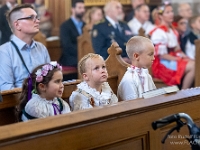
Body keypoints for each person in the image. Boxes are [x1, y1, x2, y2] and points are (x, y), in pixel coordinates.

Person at [0, 4, 50, 91]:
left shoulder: (41, 48)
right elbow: (6, 90)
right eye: (31, 17)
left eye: (37, 17)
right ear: (17, 25)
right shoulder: (4, 52)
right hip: (20, 102)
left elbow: (50, 79)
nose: (37, 21)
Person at [150, 2, 195, 89]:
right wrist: (178, 59)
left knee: (195, 63)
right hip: (162, 63)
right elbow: (162, 55)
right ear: (160, 16)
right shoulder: (158, 32)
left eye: (171, 11)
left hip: (173, 59)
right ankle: (183, 93)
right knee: (193, 66)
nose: (171, 14)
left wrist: (185, 57)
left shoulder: (172, 31)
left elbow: (177, 50)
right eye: (167, 12)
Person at [117, 36, 156, 101]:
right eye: (150, 54)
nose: (153, 58)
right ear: (136, 56)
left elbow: (154, 95)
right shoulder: (129, 79)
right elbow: (133, 105)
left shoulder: (146, 74)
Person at [59, 0, 85, 80]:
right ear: (73, 9)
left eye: (83, 8)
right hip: (71, 58)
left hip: (83, 57)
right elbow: (67, 46)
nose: (82, 10)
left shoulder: (85, 25)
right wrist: (82, 52)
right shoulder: (65, 26)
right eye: (80, 7)